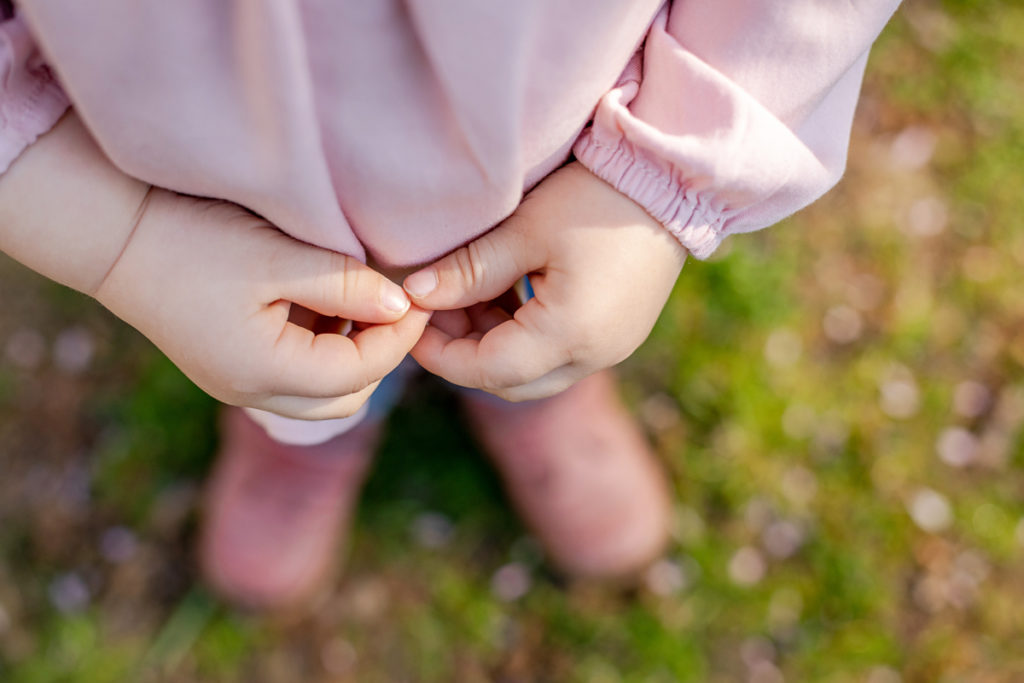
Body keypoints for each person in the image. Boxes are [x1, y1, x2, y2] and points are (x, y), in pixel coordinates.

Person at [0, 1, 902, 609]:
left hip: (563, 146)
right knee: (256, 337)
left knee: (540, 311)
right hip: (210, 184)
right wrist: (131, 244)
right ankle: (297, 422)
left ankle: (536, 391)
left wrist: (650, 192)